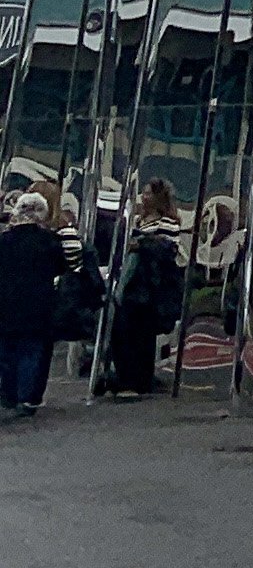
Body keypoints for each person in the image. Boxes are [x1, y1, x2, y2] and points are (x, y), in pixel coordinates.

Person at [0, 188, 98, 418]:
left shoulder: (4, 241)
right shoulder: (51, 242)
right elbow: (67, 266)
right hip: (39, 303)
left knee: (7, 349)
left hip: (6, 303)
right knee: (32, 350)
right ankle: (28, 397)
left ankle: (9, 394)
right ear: (42, 214)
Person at [102, 178, 184, 397]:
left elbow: (168, 249)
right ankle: (125, 374)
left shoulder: (167, 222)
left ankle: (136, 379)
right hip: (132, 281)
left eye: (148, 193)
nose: (143, 197)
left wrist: (142, 244)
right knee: (125, 330)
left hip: (148, 285)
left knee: (139, 333)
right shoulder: (139, 220)